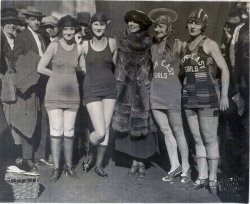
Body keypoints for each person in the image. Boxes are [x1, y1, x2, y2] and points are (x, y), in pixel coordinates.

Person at [181, 8, 229, 193]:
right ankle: (201, 177)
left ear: (204, 26)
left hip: (208, 95)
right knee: (197, 138)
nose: (193, 26)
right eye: (191, 22)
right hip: (189, 95)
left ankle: (213, 178)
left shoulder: (209, 44)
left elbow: (224, 69)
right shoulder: (186, 46)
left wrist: (224, 95)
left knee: (209, 138)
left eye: (197, 23)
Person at [37, 15, 85, 182]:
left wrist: (73, 74)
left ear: (75, 30)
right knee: (56, 130)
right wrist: (56, 74)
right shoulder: (54, 45)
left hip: (72, 94)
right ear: (61, 30)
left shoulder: (79, 48)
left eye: (72, 29)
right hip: (54, 94)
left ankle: (69, 167)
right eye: (66, 29)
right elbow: (40, 67)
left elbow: (83, 70)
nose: (69, 32)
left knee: (69, 131)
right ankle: (57, 168)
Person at [112, 10, 157, 178]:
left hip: (143, 88)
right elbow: (113, 61)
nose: (130, 24)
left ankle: (142, 162)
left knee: (142, 127)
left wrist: (147, 84)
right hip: (124, 88)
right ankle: (133, 162)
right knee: (127, 126)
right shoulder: (120, 40)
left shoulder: (149, 42)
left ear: (142, 24)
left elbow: (153, 66)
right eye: (129, 21)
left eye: (134, 22)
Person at [148, 8, 191, 183]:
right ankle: (175, 166)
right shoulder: (152, 47)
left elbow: (187, 68)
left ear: (169, 27)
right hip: (155, 94)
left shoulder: (180, 45)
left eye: (160, 27)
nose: (157, 30)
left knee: (179, 131)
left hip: (173, 93)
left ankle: (186, 168)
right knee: (165, 131)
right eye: (156, 27)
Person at [12, 6, 52, 172]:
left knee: (43, 118)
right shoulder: (22, 37)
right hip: (29, 83)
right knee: (28, 120)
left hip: (45, 82)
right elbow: (16, 59)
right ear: (27, 20)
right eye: (33, 19)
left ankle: (40, 155)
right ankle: (27, 158)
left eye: (39, 19)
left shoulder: (44, 36)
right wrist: (35, 63)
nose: (37, 22)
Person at [81, 12, 117, 177]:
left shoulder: (112, 43)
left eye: (102, 24)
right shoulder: (84, 45)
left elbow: (116, 67)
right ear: (91, 25)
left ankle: (99, 165)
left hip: (110, 89)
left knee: (107, 129)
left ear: (106, 26)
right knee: (100, 132)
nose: (99, 27)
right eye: (96, 24)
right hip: (92, 90)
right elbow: (80, 69)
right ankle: (91, 151)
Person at [1, 7, 23, 161]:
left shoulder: (18, 38)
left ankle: (16, 152)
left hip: (17, 81)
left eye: (14, 22)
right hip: (4, 82)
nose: (11, 25)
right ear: (2, 24)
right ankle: (7, 154)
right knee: (5, 117)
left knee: (16, 116)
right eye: (8, 22)